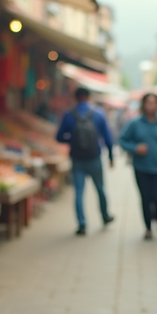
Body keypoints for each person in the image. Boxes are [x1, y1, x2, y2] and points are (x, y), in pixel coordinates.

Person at [56, 87, 115, 235]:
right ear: (88, 97)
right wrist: (111, 156)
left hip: (77, 159)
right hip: (95, 158)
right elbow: (108, 137)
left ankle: (82, 224)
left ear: (76, 98)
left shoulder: (69, 115)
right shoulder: (99, 114)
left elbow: (59, 137)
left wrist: (71, 139)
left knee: (79, 192)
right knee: (100, 189)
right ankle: (105, 215)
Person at [119, 93, 157, 241]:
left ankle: (156, 217)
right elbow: (122, 140)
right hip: (141, 167)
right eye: (148, 103)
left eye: (154, 103)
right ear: (143, 105)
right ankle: (148, 228)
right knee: (145, 198)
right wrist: (135, 147)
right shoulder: (135, 123)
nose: (151, 106)